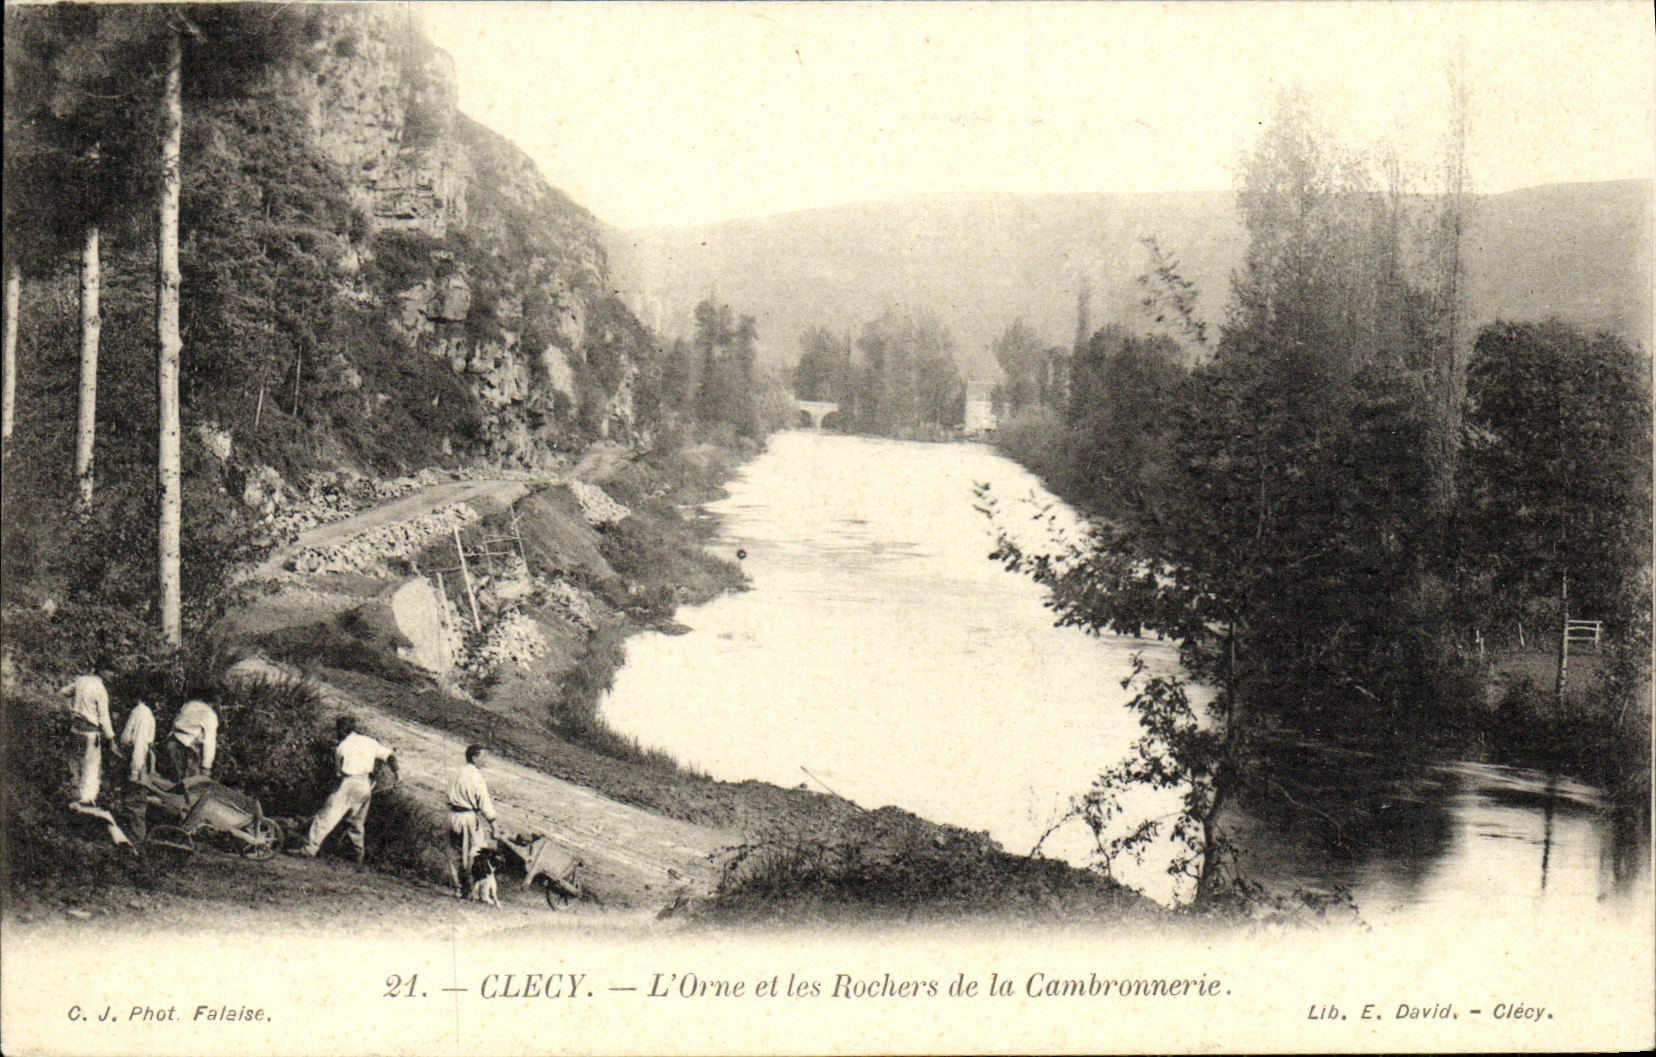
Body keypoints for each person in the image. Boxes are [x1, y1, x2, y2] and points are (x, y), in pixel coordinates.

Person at [291, 715, 396, 865]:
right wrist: (397, 775)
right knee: (356, 822)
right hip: (365, 785)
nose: (336, 733)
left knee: (326, 816)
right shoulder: (370, 742)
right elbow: (390, 756)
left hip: (349, 782)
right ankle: (358, 857)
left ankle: (309, 849)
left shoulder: (341, 747)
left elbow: (338, 774)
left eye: (337, 730)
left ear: (342, 730)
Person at [446, 744, 499, 898]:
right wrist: (494, 825)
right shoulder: (476, 776)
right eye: (483, 757)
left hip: (451, 815)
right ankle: (475, 891)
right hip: (468, 817)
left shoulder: (456, 772)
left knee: (453, 853)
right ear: (474, 757)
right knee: (476, 853)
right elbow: (485, 803)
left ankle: (458, 888)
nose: (486, 761)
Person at [59, 671, 119, 806]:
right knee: (90, 768)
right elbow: (104, 718)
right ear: (104, 671)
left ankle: (74, 797)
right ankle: (86, 801)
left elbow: (64, 692)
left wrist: (70, 711)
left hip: (75, 729)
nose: (111, 676)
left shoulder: (81, 681)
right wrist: (111, 740)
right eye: (110, 672)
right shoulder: (100, 689)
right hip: (90, 732)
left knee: (75, 764)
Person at [119, 700, 157, 843]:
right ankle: (131, 839)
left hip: (138, 761)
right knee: (130, 800)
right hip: (135, 759)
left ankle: (137, 842)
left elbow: (140, 745)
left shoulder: (142, 713)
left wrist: (136, 772)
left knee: (135, 801)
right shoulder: (139, 711)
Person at [167, 698, 219, 781]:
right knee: (191, 784)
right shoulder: (209, 714)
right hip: (189, 749)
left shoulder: (188, 705)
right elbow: (209, 742)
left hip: (173, 742)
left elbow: (175, 722)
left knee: (175, 780)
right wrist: (206, 766)